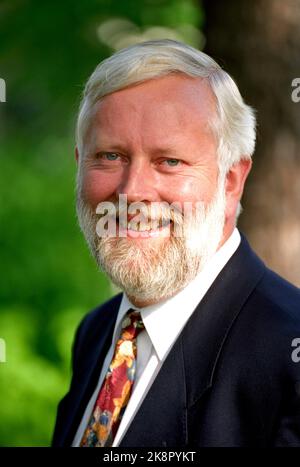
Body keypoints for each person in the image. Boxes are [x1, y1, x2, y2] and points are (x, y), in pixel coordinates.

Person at [51, 39, 300, 447]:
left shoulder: (288, 365)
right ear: (80, 165)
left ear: (231, 181)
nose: (133, 191)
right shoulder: (96, 334)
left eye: (169, 161)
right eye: (111, 156)